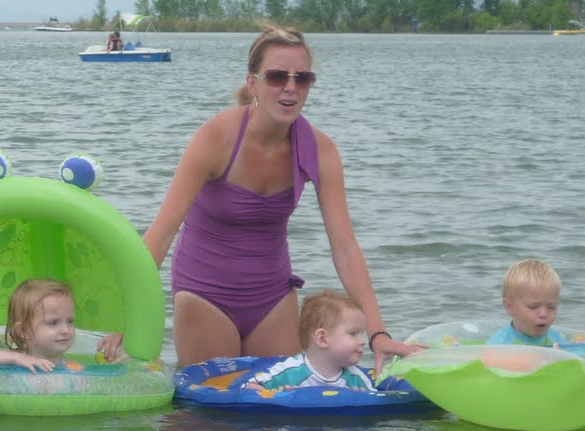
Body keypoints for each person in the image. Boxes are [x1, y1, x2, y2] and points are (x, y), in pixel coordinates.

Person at [143, 25, 421, 370]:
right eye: (277, 77)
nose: (290, 87)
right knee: (213, 404)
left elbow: (345, 246)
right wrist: (126, 316)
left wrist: (378, 334)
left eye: (302, 78)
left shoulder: (321, 150)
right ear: (253, 83)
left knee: (280, 400)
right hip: (205, 293)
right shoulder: (215, 138)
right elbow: (162, 233)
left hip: (272, 297)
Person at [0, 278, 127, 373]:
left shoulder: (71, 366)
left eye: (70, 321)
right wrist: (17, 358)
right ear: (24, 330)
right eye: (53, 323)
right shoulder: (15, 359)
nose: (66, 330)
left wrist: (118, 351)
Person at [244, 290, 376, 393]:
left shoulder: (356, 379)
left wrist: (362, 398)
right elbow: (249, 387)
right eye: (353, 333)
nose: (363, 341)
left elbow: (375, 399)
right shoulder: (289, 371)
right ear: (322, 339)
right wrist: (276, 395)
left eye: (362, 334)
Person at [487, 258, 572, 346]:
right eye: (533, 307)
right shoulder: (499, 344)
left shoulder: (556, 339)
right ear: (510, 307)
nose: (544, 314)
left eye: (551, 307)